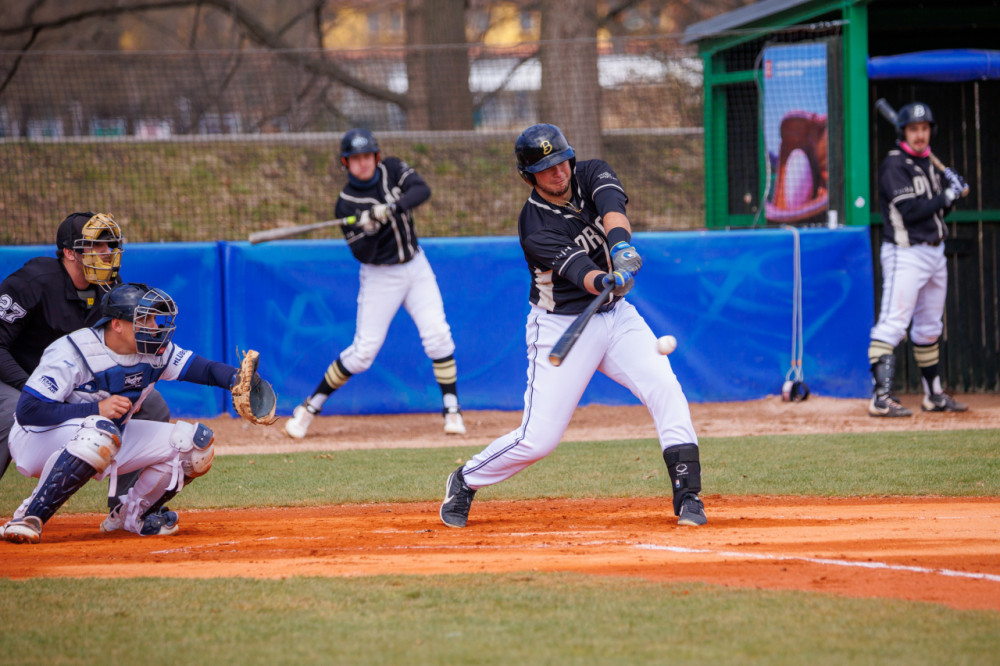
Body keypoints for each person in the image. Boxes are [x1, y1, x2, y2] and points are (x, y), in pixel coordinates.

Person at [439, 123, 706, 529]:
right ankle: (465, 479)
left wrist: (620, 247)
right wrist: (606, 279)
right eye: (545, 169)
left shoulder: (591, 171)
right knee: (538, 439)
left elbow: (612, 208)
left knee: (664, 388)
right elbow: (581, 272)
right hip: (562, 325)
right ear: (529, 176)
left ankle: (688, 496)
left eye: (561, 161)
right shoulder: (534, 224)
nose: (558, 172)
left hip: (617, 316)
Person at [1, 282, 274, 544]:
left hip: (106, 437)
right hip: (36, 441)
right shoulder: (73, 350)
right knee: (101, 430)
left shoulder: (154, 350)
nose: (154, 327)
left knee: (195, 445)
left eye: (155, 319)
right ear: (116, 324)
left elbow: (203, 369)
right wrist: (95, 409)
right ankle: (28, 516)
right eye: (145, 320)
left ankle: (132, 515)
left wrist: (235, 379)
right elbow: (28, 411)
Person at [284, 128, 465, 438]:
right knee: (363, 353)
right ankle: (309, 407)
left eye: (367, 156)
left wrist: (390, 209)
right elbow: (363, 253)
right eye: (355, 158)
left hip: (416, 266)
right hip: (381, 276)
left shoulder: (391, 169)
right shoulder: (346, 204)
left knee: (438, 335)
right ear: (346, 163)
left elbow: (421, 190)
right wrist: (370, 227)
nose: (363, 162)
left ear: (376, 156)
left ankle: (452, 410)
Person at [0, 213, 171, 498]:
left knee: (152, 406)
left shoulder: (110, 286)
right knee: (15, 412)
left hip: (72, 379)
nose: (107, 253)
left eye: (110, 245)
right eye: (97, 246)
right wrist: (33, 388)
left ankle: (129, 506)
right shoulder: (32, 281)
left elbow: (117, 346)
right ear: (70, 253)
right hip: (14, 376)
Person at [868, 102, 969, 417]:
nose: (920, 134)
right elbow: (911, 212)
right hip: (906, 253)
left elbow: (938, 211)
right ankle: (880, 398)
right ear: (903, 132)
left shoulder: (928, 164)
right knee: (893, 324)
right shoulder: (894, 165)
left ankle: (933, 395)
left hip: (935, 252)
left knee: (929, 327)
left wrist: (952, 193)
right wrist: (947, 195)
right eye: (914, 129)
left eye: (924, 128)